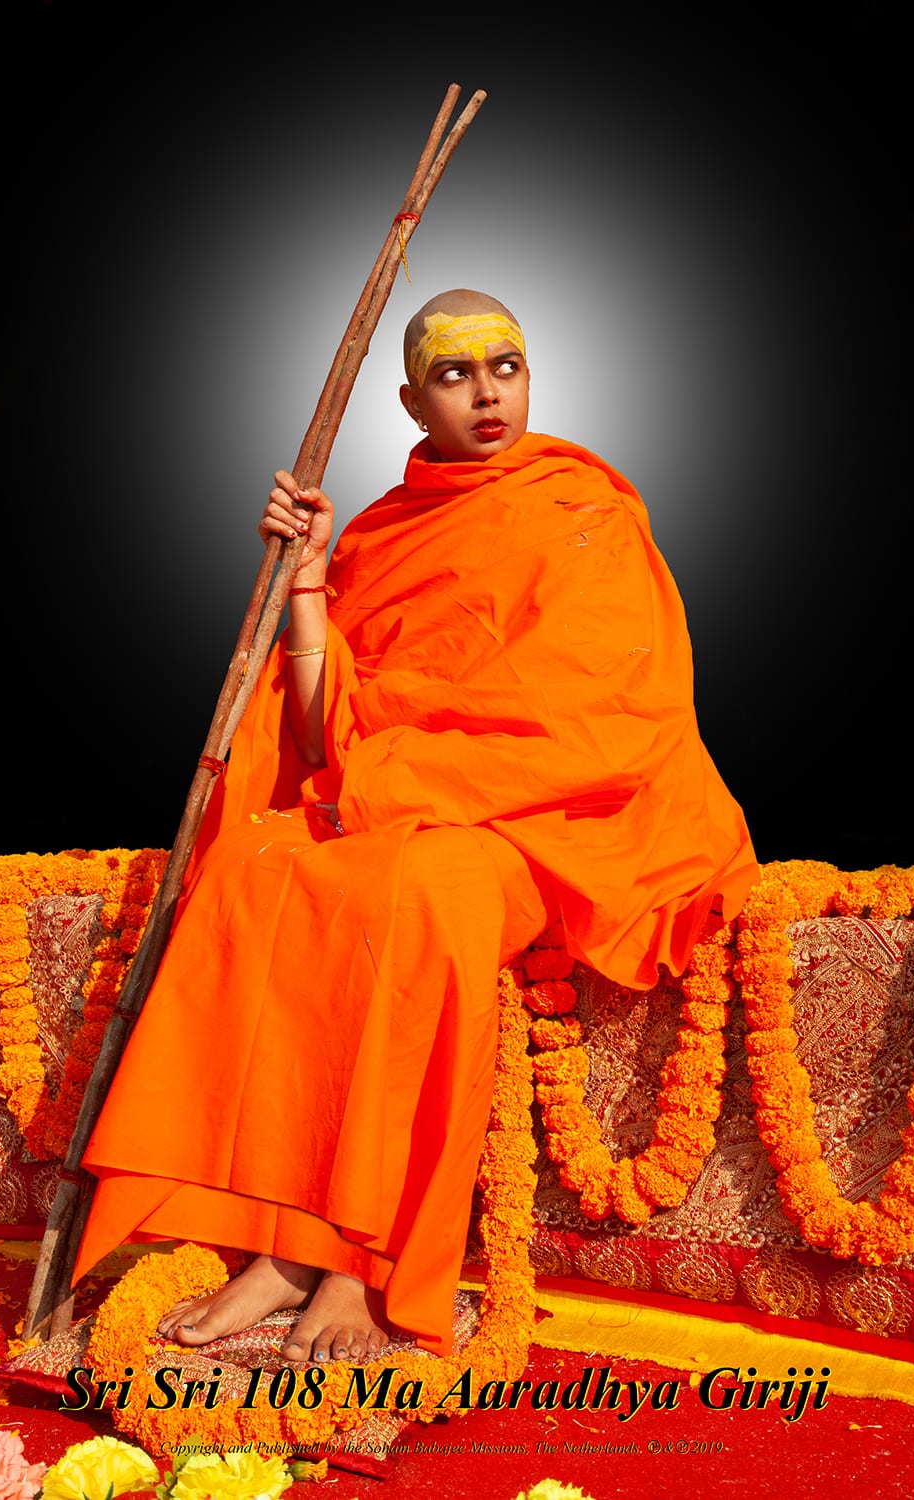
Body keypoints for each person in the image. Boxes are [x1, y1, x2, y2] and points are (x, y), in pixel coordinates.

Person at [74, 288, 758, 1365]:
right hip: (405, 800)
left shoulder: (583, 512)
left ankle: (359, 1263)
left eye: (505, 366)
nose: (487, 393)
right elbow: (323, 738)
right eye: (454, 374)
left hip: (549, 820)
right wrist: (307, 585)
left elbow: (613, 719)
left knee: (420, 893)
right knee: (257, 862)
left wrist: (403, 787)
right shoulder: (384, 533)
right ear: (410, 401)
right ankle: (280, 1250)